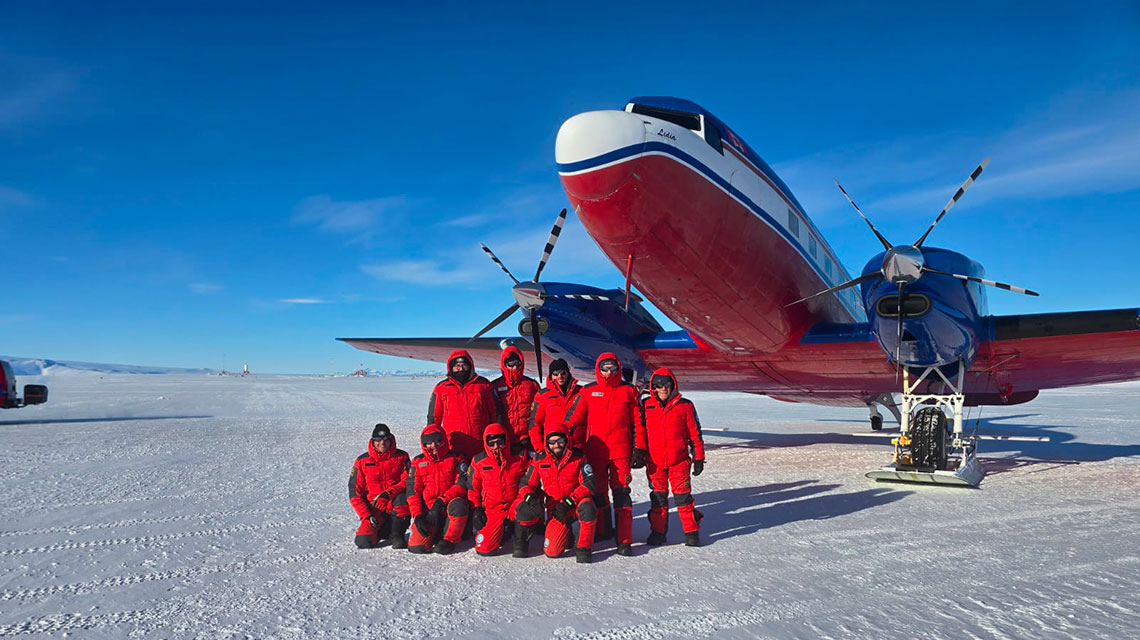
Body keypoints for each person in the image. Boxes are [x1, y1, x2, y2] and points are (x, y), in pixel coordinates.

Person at [566, 352, 646, 556]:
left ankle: (624, 541)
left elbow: (638, 422)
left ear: (619, 369)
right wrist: (560, 439)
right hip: (596, 452)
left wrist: (639, 449)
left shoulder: (629, 391)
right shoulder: (588, 391)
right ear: (598, 369)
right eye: (605, 368)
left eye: (612, 368)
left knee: (622, 495)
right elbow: (572, 419)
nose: (609, 372)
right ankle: (601, 531)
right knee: (598, 494)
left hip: (621, 452)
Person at [513, 423, 598, 563]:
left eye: (560, 441)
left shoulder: (578, 458)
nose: (556, 445)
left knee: (588, 508)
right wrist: (531, 498)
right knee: (552, 551)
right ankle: (566, 533)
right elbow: (524, 484)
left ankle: (584, 548)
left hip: (575, 502)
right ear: (547, 443)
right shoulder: (539, 460)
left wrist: (569, 501)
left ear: (566, 441)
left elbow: (589, 483)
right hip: (556, 508)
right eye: (552, 442)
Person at [642, 368, 706, 547]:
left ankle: (692, 533)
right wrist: (637, 452)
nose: (663, 389)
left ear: (673, 386)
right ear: (653, 388)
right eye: (659, 386)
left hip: (679, 462)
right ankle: (658, 533)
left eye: (667, 385)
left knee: (683, 499)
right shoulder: (646, 406)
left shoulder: (685, 406)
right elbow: (638, 432)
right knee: (658, 500)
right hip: (655, 463)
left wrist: (699, 457)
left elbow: (695, 433)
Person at [467, 423, 530, 556]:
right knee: (484, 548)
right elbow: (473, 488)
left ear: (506, 440)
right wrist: (476, 508)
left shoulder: (520, 455)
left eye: (500, 442)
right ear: (486, 443)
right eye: (492, 443)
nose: (496, 447)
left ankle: (522, 536)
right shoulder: (478, 461)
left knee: (529, 506)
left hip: (515, 503)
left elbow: (532, 478)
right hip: (493, 508)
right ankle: (503, 529)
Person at [427, 350, 502, 461]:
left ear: (470, 366)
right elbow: (434, 417)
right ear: (451, 368)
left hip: (480, 443)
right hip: (454, 443)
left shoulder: (483, 385)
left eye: (464, 365)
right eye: (457, 366)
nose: (460, 369)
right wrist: (431, 438)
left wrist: (497, 435)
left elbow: (495, 411)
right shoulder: (442, 388)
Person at [406, 424, 470, 555]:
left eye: (437, 440)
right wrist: (417, 516)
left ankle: (449, 540)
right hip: (429, 511)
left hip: (447, 506)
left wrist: (441, 502)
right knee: (417, 547)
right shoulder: (417, 462)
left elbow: (462, 484)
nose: (433, 445)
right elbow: (413, 492)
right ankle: (434, 533)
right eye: (428, 442)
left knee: (459, 505)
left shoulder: (456, 458)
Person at [349, 423, 411, 549]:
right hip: (375, 509)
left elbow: (407, 481)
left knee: (404, 497)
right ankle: (380, 530)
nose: (382, 443)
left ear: (390, 439)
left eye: (385, 439)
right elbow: (355, 492)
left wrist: (388, 494)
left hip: (394, 504)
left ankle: (397, 534)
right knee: (363, 542)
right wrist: (366, 516)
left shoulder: (402, 457)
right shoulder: (362, 461)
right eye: (378, 440)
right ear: (373, 441)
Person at [528, 358, 586, 452]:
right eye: (555, 373)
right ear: (551, 375)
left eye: (563, 373)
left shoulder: (581, 392)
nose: (560, 376)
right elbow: (534, 423)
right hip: (553, 447)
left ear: (568, 373)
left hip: (578, 447)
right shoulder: (542, 395)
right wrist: (539, 447)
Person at [490, 346, 542, 452]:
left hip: (528, 438)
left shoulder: (532, 385)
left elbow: (540, 411)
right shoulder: (494, 386)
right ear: (504, 365)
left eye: (518, 363)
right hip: (504, 439)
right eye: (511, 364)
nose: (514, 367)